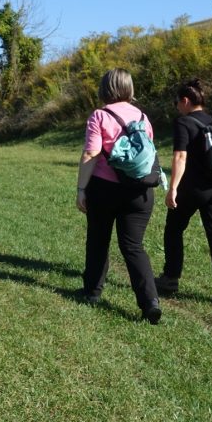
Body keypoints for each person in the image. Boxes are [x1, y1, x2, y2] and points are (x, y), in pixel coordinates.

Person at [75, 68, 162, 324]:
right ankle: (150, 302)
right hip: (141, 191)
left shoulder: (100, 115)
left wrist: (81, 189)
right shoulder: (143, 117)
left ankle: (92, 292)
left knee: (98, 240)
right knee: (133, 246)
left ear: (104, 89)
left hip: (105, 189)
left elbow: (91, 153)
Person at [158, 78, 212, 307]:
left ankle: (170, 278)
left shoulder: (183, 123)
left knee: (174, 230)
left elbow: (180, 157)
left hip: (193, 188)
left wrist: (173, 188)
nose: (176, 106)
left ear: (185, 101)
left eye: (177, 102)